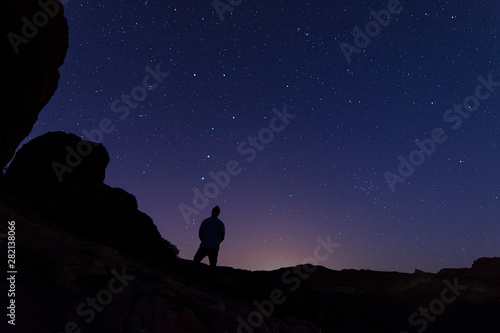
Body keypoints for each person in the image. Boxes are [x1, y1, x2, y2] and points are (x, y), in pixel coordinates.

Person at [187, 206, 225, 291]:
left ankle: (188, 281)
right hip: (214, 248)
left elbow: (200, 233)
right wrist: (216, 242)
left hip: (204, 245)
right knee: (212, 268)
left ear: (211, 212)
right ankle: (211, 289)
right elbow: (222, 237)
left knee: (195, 263)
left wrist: (204, 240)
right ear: (218, 213)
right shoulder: (221, 224)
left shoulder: (205, 221)